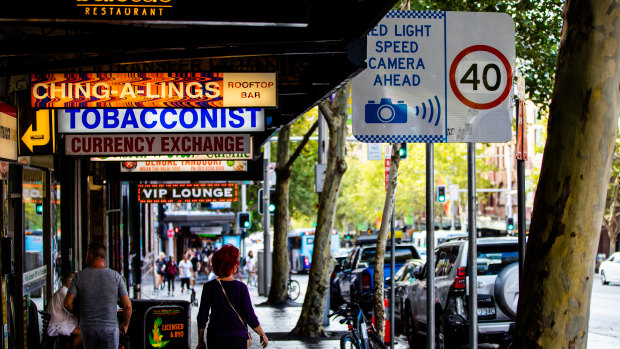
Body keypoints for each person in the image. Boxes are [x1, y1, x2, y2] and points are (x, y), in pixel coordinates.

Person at [196, 244, 268, 349]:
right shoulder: (241, 288)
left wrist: (201, 341)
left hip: (215, 337)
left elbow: (202, 316)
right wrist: (262, 334)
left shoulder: (209, 287)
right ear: (233, 265)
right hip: (238, 337)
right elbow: (250, 316)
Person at [64, 242, 132, 349]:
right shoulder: (116, 276)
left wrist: (80, 314)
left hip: (88, 328)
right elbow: (127, 306)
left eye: (86, 254)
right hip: (110, 329)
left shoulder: (79, 277)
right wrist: (125, 324)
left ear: (91, 255)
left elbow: (67, 303)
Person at [46, 271, 82, 349]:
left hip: (59, 323)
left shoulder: (62, 291)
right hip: (57, 325)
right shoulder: (64, 294)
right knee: (82, 333)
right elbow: (71, 309)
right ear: (69, 283)